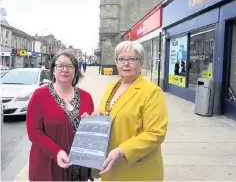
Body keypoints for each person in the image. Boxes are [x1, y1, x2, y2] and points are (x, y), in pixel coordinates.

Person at [94, 41, 168, 181]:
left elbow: (156, 133)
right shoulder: (111, 87)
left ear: (140, 62)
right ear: (116, 62)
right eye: (121, 59)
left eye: (132, 59)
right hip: (110, 167)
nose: (126, 63)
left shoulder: (151, 92)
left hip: (136, 169)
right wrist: (94, 117)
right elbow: (108, 112)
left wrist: (122, 150)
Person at [26, 50, 94, 181]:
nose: (65, 69)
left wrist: (92, 123)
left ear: (76, 70)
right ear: (53, 70)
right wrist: (56, 152)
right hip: (49, 165)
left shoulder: (86, 97)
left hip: (79, 168)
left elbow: (90, 133)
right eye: (60, 65)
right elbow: (34, 132)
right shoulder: (39, 96)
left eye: (69, 66)